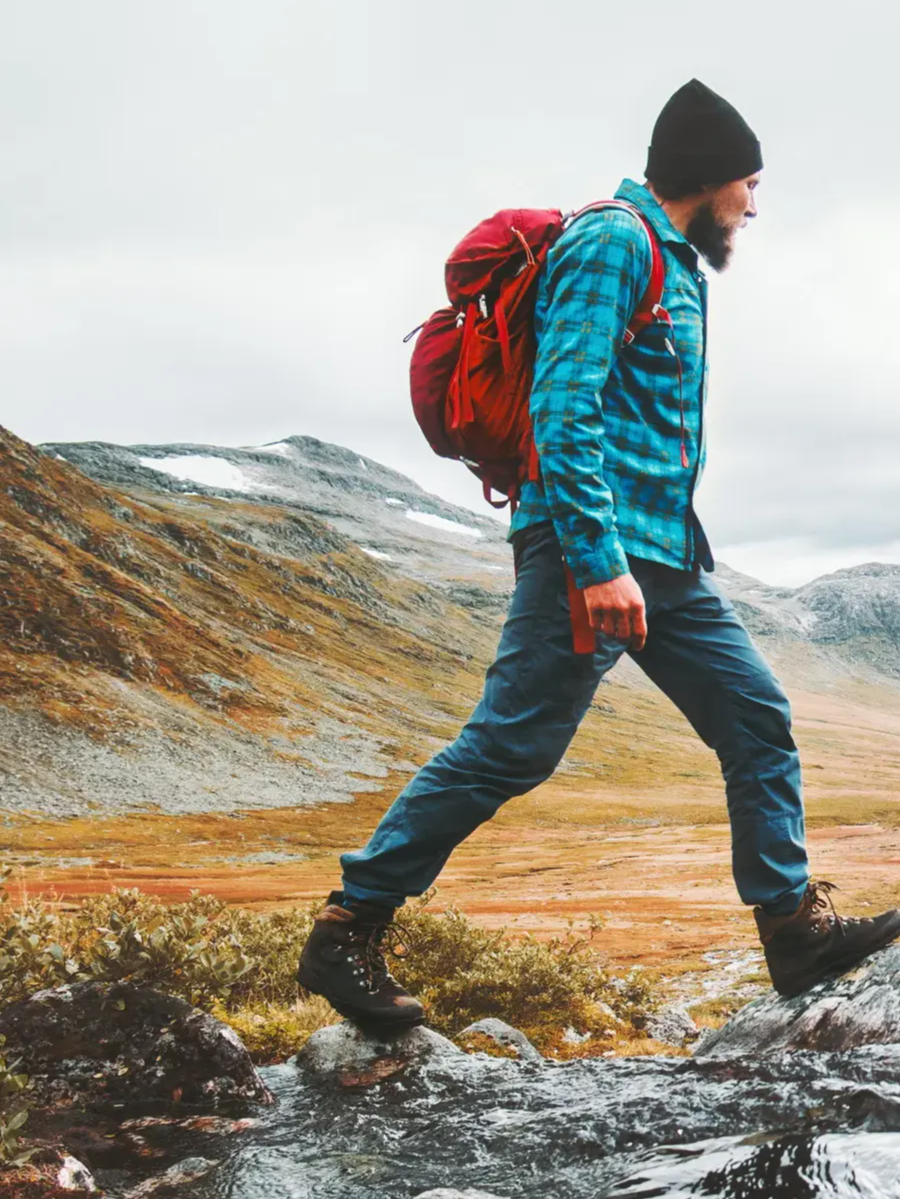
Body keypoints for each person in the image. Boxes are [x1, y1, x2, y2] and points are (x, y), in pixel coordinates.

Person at [297, 80, 900, 1028]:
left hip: (666, 555)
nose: (755, 203)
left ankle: (792, 931)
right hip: (593, 548)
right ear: (706, 179)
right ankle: (346, 929)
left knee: (756, 717)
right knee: (510, 746)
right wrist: (595, 558)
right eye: (749, 182)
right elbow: (561, 406)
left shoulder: (677, 262)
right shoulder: (611, 241)